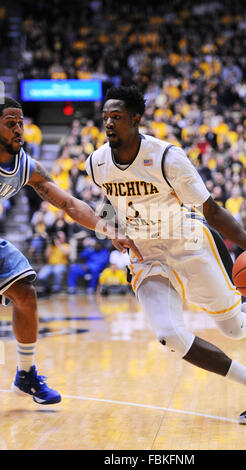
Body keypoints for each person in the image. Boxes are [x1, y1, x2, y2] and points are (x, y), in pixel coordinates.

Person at [85, 85, 246, 425]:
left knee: (235, 330)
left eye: (116, 118)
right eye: (105, 118)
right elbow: (109, 202)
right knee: (169, 336)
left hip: (187, 242)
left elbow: (213, 211)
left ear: (136, 119)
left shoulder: (167, 157)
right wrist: (112, 230)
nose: (108, 124)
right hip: (146, 254)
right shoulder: (97, 162)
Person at [0, 97, 142, 405]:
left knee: (24, 293)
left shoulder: (24, 166)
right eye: (10, 123)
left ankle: (25, 374)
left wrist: (111, 230)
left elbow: (70, 204)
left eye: (21, 123)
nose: (19, 130)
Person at [37, 230, 70, 295]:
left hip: (61, 265)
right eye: (58, 237)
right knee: (40, 276)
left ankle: (56, 289)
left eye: (60, 237)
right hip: (50, 265)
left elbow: (66, 253)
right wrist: (49, 243)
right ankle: (47, 287)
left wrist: (58, 244)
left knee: (57, 271)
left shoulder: (66, 245)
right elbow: (46, 256)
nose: (58, 238)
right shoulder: (52, 246)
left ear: (64, 238)